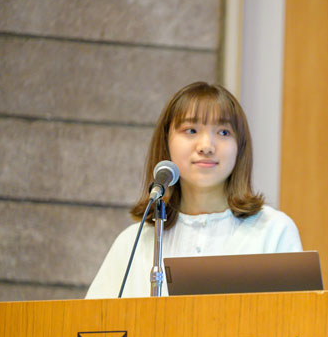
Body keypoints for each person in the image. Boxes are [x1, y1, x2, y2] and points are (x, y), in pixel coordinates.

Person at [87, 82, 302, 298]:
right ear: (166, 142)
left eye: (223, 132)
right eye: (191, 130)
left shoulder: (274, 232)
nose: (206, 146)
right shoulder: (133, 243)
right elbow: (94, 326)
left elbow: (301, 323)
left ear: (240, 147)